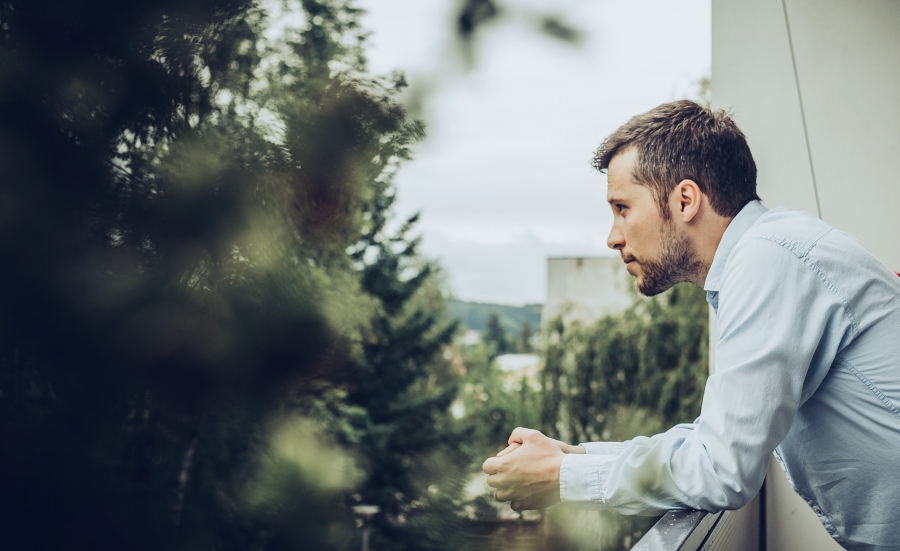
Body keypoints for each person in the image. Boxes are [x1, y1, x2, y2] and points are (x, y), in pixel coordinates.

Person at [482, 100, 900, 551]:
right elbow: (714, 437)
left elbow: (722, 468)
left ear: (685, 200)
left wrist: (561, 477)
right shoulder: (766, 254)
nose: (613, 237)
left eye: (622, 208)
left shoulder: (768, 260)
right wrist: (577, 457)